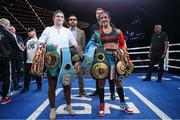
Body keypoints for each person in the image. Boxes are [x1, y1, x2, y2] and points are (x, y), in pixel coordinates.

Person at [85, 11, 133, 116]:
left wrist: (125, 59)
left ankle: (123, 104)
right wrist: (91, 53)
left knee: (118, 82)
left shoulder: (118, 31)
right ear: (99, 20)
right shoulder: (97, 33)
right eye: (101, 18)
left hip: (116, 59)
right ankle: (102, 104)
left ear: (109, 19)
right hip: (102, 59)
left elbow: (123, 45)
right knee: (101, 83)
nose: (103, 19)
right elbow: (89, 46)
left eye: (105, 17)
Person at [38, 10, 82, 119]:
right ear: (53, 18)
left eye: (62, 17)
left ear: (63, 19)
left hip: (65, 60)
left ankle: (69, 106)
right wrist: (49, 46)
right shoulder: (48, 30)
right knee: (52, 86)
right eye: (58, 16)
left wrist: (79, 59)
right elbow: (40, 42)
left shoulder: (67, 31)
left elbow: (75, 44)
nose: (60, 18)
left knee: (67, 84)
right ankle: (53, 109)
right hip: (51, 60)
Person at [89, 8, 116, 100]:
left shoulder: (111, 25)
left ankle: (112, 92)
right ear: (96, 16)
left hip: (110, 55)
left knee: (111, 76)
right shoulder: (93, 27)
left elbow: (115, 38)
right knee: (98, 73)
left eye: (101, 13)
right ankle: (98, 90)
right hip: (98, 54)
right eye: (98, 13)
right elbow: (91, 41)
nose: (100, 15)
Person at [0, 18, 21, 104]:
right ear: (6, 25)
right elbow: (17, 46)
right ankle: (5, 97)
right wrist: (22, 49)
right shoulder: (8, 33)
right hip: (5, 58)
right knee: (6, 78)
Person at [68, 15, 86, 97]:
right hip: (67, 54)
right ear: (68, 21)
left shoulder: (81, 32)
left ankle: (82, 91)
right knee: (67, 74)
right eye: (71, 19)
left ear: (76, 21)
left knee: (80, 74)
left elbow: (83, 45)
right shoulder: (64, 31)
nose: (72, 21)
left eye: (74, 19)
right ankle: (67, 92)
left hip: (78, 55)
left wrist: (79, 54)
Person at [21, 27, 42, 92]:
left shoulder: (39, 39)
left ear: (34, 31)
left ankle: (39, 86)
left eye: (30, 31)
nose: (28, 33)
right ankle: (26, 87)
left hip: (36, 61)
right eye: (28, 32)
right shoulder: (26, 40)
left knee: (37, 75)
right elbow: (24, 49)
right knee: (26, 76)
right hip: (28, 61)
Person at [8, 25, 24, 90]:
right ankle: (15, 84)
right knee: (13, 71)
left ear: (15, 30)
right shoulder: (7, 37)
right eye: (10, 29)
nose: (11, 30)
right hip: (11, 57)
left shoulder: (19, 37)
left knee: (19, 70)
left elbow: (22, 46)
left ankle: (16, 83)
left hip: (19, 57)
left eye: (12, 29)